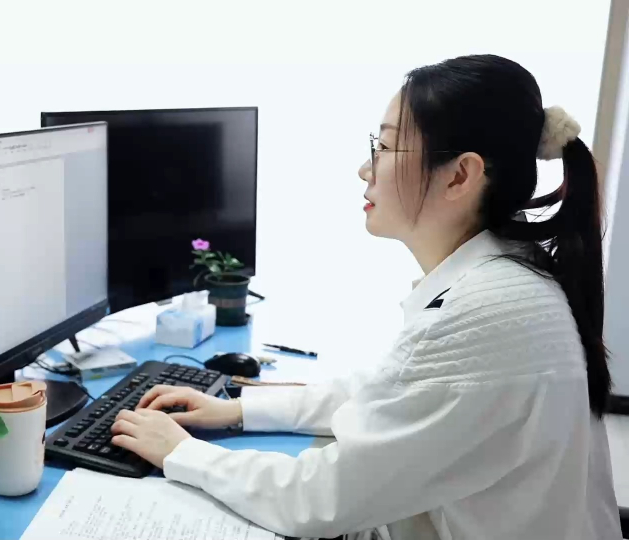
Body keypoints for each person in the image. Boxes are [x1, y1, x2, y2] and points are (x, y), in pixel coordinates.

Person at [111, 55, 620, 539]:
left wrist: (181, 453)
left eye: (386, 147)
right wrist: (238, 410)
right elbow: (388, 394)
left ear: (460, 175)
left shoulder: (489, 312)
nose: (365, 168)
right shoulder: (505, 274)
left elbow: (319, 499)